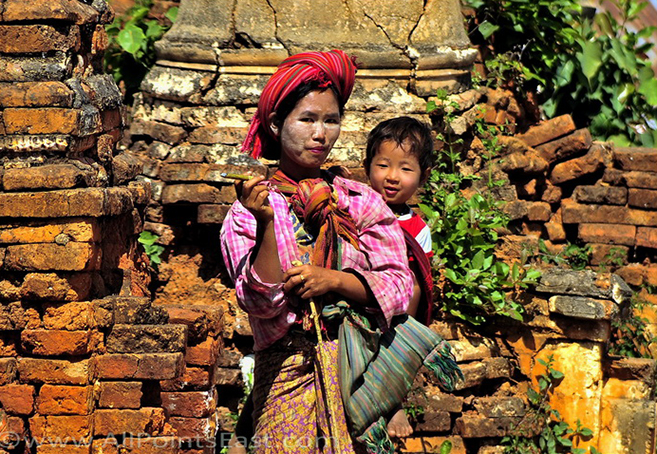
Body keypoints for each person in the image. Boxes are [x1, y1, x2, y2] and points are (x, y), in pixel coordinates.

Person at [220, 50, 414, 454]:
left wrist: (337, 281)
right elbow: (259, 302)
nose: (320, 134)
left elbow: (400, 288)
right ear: (276, 124)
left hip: (359, 371)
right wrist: (269, 224)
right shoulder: (247, 212)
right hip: (285, 374)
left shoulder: (359, 201)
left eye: (331, 120)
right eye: (307, 119)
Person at [361, 116, 436, 438]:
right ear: (367, 167)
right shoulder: (354, 210)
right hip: (354, 300)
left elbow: (418, 282)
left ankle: (393, 404)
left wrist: (406, 325)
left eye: (406, 169)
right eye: (383, 165)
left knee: (392, 362)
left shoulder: (418, 229)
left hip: (395, 314)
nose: (392, 177)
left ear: (423, 176)